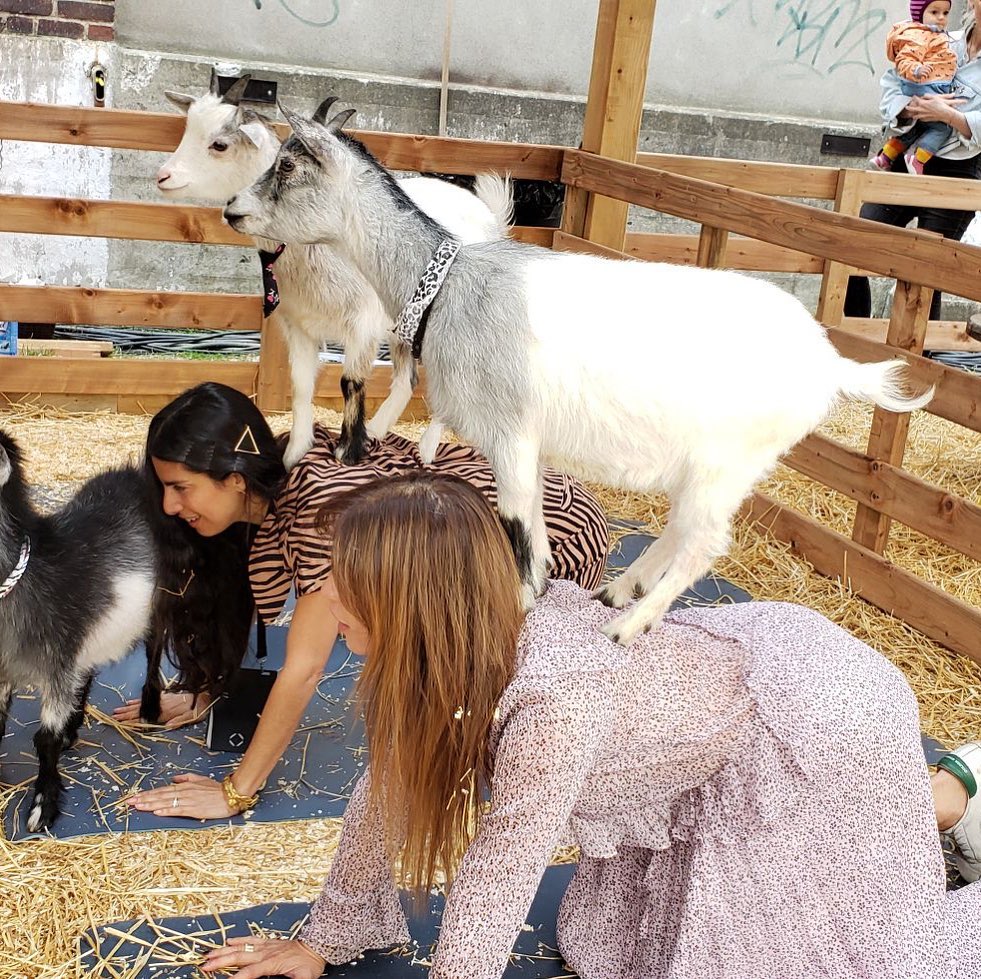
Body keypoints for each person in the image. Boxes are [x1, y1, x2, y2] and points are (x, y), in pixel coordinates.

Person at [199, 471, 981, 979]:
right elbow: (387, 788)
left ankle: (955, 792)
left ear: (410, 598)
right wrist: (326, 935)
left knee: (883, 955)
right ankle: (938, 800)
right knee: (605, 949)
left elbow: (500, 873)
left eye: (341, 580)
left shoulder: (553, 701)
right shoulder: (441, 657)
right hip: (722, 687)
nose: (323, 595)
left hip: (810, 719)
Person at [121, 382, 610, 820]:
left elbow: (306, 669)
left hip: (548, 530)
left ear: (234, 477)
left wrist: (235, 792)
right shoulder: (278, 474)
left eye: (180, 488)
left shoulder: (317, 514)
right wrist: (208, 688)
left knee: (516, 686)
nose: (168, 505)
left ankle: (542, 797)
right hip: (488, 523)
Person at [845, 0, 981, 320]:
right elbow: (893, 84)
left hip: (956, 171)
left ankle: (919, 359)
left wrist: (948, 115)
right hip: (907, 157)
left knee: (924, 271)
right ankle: (856, 339)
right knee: (851, 244)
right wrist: (910, 107)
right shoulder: (939, 36)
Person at [872, 0, 958, 175]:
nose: (941, 18)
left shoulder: (933, 35)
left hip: (921, 88)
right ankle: (918, 159)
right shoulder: (918, 36)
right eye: (934, 12)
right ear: (919, 14)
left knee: (915, 128)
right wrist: (916, 70)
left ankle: (885, 157)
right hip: (926, 87)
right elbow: (906, 59)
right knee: (942, 129)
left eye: (946, 13)